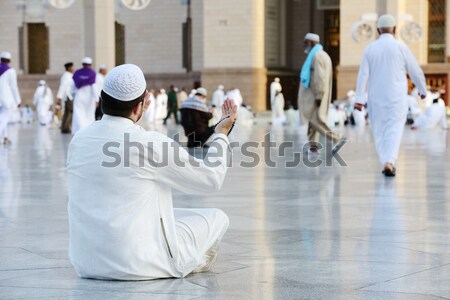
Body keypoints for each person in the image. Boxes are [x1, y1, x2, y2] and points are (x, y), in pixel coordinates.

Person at [67, 64, 237, 280]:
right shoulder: (151, 144)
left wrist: (138, 114)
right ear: (139, 107)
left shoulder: (79, 139)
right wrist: (221, 134)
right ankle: (190, 261)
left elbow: (123, 137)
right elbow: (211, 179)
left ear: (102, 99)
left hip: (87, 264)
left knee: (169, 214)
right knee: (217, 217)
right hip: (138, 264)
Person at [355, 15, 427, 176]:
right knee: (394, 129)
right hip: (396, 98)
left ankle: (386, 161)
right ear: (394, 30)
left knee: (379, 130)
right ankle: (390, 161)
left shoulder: (370, 49)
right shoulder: (401, 48)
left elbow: (363, 75)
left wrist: (359, 100)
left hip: (376, 98)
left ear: (378, 30)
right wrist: (422, 89)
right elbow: (415, 71)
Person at [297, 33, 345, 155]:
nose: (304, 45)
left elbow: (320, 78)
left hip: (315, 96)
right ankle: (313, 147)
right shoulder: (318, 55)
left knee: (316, 121)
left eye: (306, 42)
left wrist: (319, 95)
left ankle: (336, 139)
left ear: (312, 43)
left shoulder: (318, 56)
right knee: (313, 121)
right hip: (314, 95)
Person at [71, 57, 100, 135]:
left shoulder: (77, 73)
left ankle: (79, 129)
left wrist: (72, 95)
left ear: (82, 64)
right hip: (89, 97)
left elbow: (73, 86)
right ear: (90, 64)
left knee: (78, 114)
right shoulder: (92, 73)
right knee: (89, 114)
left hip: (79, 96)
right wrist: (96, 99)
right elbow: (93, 87)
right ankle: (89, 131)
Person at [0, 51, 21, 145]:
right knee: (4, 118)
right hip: (5, 98)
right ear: (9, 60)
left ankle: (5, 137)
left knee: (3, 118)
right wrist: (18, 100)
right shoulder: (10, 71)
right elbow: (13, 87)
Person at [57, 62, 75, 134]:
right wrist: (59, 97)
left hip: (69, 97)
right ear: (68, 68)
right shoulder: (67, 76)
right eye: (72, 67)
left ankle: (64, 127)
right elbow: (63, 87)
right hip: (68, 97)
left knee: (67, 113)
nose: (73, 69)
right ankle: (66, 127)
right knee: (71, 111)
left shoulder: (69, 75)